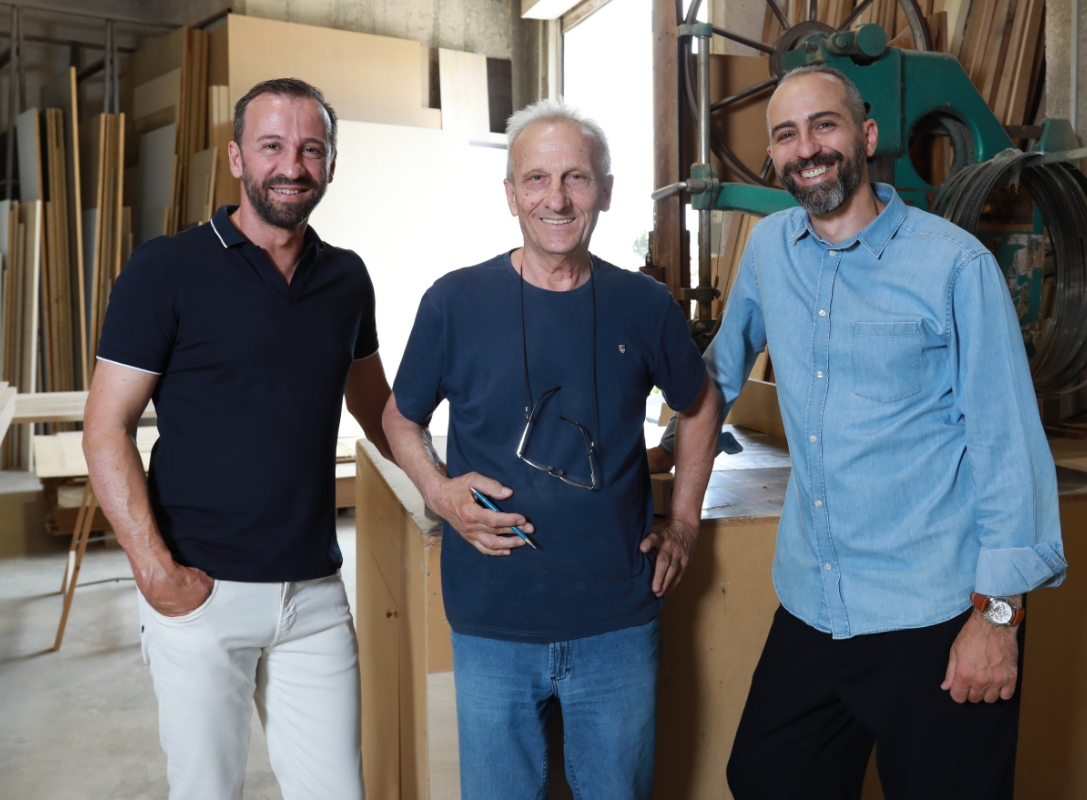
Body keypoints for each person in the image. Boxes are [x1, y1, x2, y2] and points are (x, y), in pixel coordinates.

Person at [706, 65, 1066, 800]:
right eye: (786, 134)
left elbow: (1007, 445)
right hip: (815, 602)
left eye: (824, 125)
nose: (807, 148)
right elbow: (714, 376)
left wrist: (997, 620)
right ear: (772, 156)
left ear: (866, 136)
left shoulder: (953, 265)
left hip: (935, 613)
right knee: (766, 777)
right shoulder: (769, 250)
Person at [382, 99, 720, 800]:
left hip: (617, 619)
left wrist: (685, 521)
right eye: (535, 179)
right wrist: (439, 491)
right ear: (510, 194)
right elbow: (398, 417)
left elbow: (700, 403)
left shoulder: (645, 305)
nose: (556, 199)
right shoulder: (454, 302)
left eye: (576, 178)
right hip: (492, 618)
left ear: (605, 190)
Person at [83, 78, 392, 800]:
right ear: (235, 158)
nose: (292, 165)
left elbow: (378, 409)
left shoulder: (347, 278)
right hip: (202, 589)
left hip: (314, 595)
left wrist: (443, 481)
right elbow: (105, 426)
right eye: (271, 146)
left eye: (310, 149)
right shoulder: (165, 269)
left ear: (331, 163)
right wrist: (155, 571)